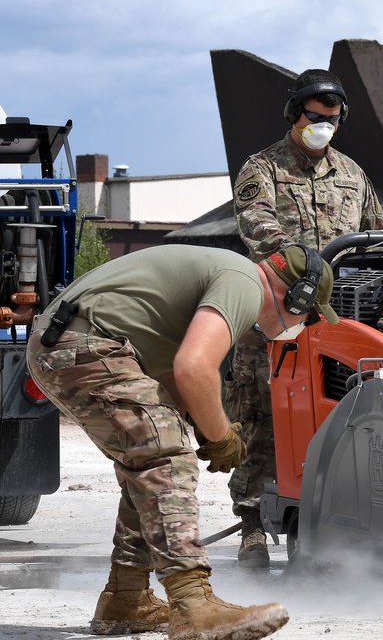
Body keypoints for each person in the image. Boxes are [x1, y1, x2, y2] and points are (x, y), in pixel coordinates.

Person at [26, 243, 338, 639]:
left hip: (73, 342)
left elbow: (169, 370)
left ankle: (126, 599)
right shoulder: (246, 283)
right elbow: (193, 367)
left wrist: (202, 423)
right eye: (308, 314)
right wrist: (221, 436)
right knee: (166, 457)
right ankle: (194, 605)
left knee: (149, 459)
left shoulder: (225, 277)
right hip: (85, 345)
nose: (305, 323)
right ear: (297, 295)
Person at [227, 68, 383, 568]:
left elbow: (377, 237)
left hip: (336, 326)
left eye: (332, 120)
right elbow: (260, 231)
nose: (323, 126)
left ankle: (323, 527)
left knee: (335, 423)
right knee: (264, 425)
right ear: (295, 114)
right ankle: (252, 529)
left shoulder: (353, 175)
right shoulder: (263, 170)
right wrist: (305, 265)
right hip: (273, 322)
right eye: (314, 117)